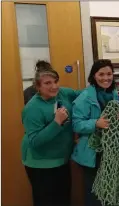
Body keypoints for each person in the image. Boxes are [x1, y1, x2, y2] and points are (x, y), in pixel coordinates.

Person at [21, 61, 81, 206]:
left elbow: (83, 94)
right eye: (48, 83)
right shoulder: (32, 108)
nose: (54, 86)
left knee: (64, 200)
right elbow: (34, 141)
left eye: (55, 81)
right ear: (38, 87)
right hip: (41, 164)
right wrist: (56, 123)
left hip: (62, 159)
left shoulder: (62, 93)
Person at [71, 59, 119, 206]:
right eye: (101, 74)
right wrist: (96, 123)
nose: (106, 78)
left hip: (109, 151)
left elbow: (112, 115)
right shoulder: (85, 97)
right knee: (94, 193)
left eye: (109, 74)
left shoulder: (113, 93)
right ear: (94, 76)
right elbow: (76, 124)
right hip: (91, 153)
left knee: (109, 189)